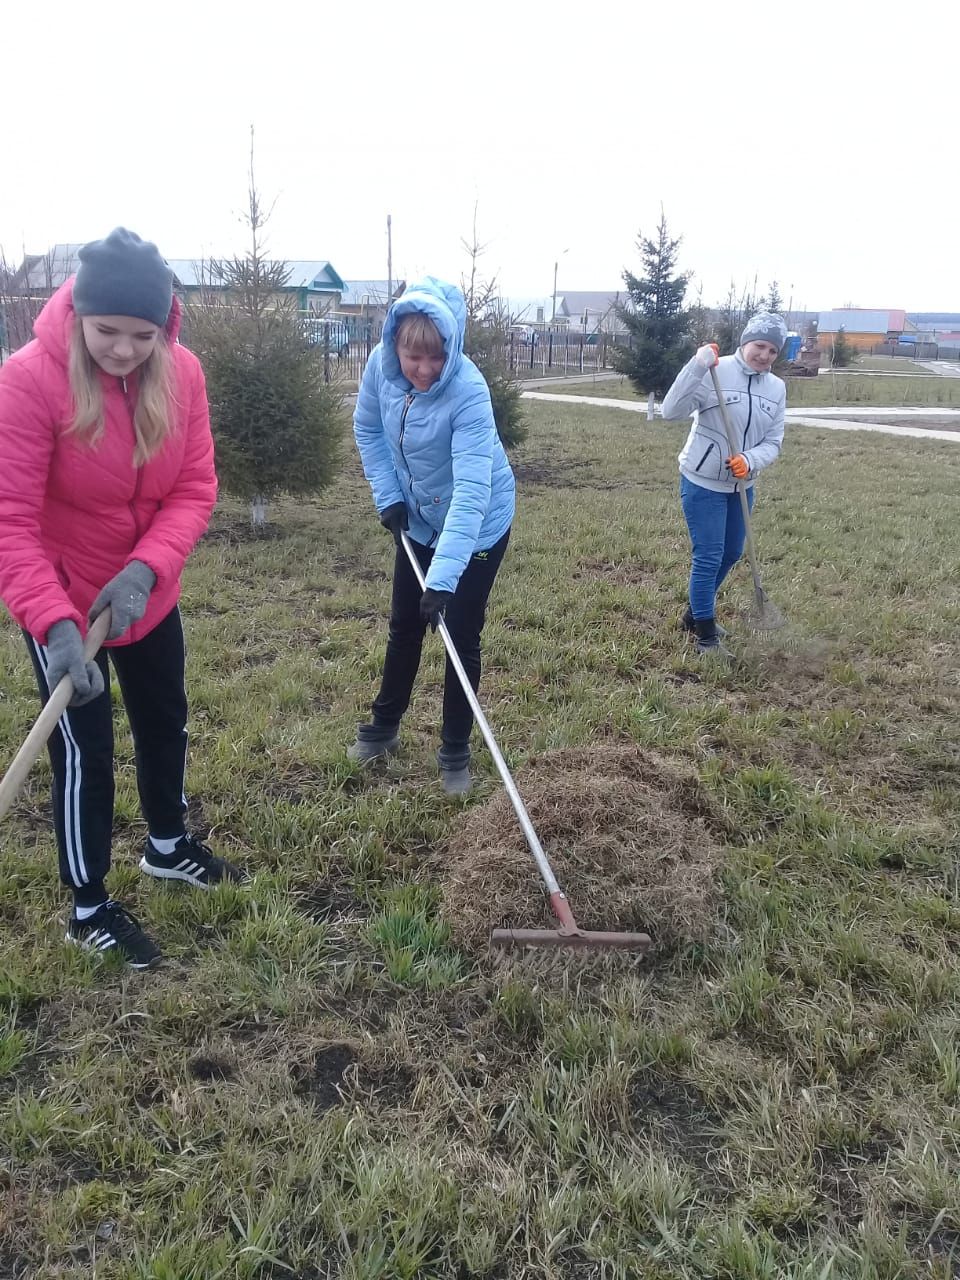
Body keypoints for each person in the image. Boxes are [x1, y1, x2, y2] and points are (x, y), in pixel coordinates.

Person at [0, 228, 244, 970]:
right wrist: (55, 626)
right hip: (66, 606)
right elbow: (10, 521)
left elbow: (194, 486)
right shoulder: (28, 381)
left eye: (143, 335)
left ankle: (168, 846)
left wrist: (146, 569)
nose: (125, 349)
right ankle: (88, 906)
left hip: (146, 595)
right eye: (108, 332)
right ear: (78, 314)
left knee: (166, 718)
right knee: (86, 752)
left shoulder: (184, 375)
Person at [350, 277, 515, 796]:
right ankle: (383, 727)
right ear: (394, 343)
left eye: (436, 357)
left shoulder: (468, 391)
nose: (423, 369)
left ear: (453, 347)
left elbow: (472, 490)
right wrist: (388, 497)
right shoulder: (379, 369)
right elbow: (368, 430)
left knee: (459, 633)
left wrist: (444, 578)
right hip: (418, 518)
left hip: (478, 523)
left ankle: (455, 751)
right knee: (405, 623)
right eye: (411, 355)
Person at [661, 312, 788, 655]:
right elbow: (670, 411)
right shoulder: (715, 370)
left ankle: (693, 613)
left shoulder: (776, 388)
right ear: (746, 342)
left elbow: (773, 442)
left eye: (773, 350)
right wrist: (697, 366)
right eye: (760, 346)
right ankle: (705, 636)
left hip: (742, 485)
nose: (764, 355)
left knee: (732, 552)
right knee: (709, 556)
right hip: (703, 482)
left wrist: (749, 461)